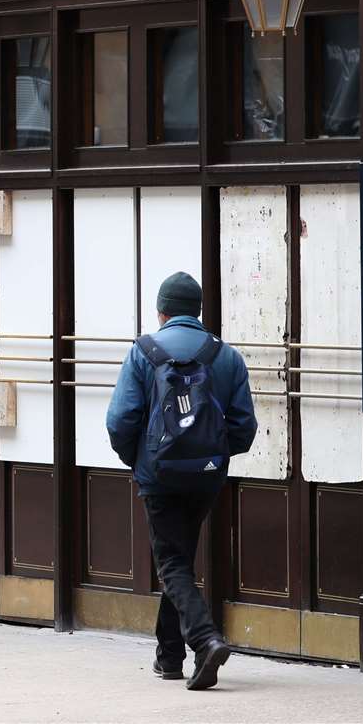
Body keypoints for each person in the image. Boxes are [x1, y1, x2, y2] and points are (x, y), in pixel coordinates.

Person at [105, 271, 257, 691]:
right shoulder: (225, 356)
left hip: (160, 476)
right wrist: (213, 458)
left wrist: (140, 461)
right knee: (178, 559)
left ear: (162, 312)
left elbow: (120, 421)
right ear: (198, 311)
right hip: (205, 479)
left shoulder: (143, 352)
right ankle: (168, 656)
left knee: (171, 562)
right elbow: (244, 427)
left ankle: (204, 641)